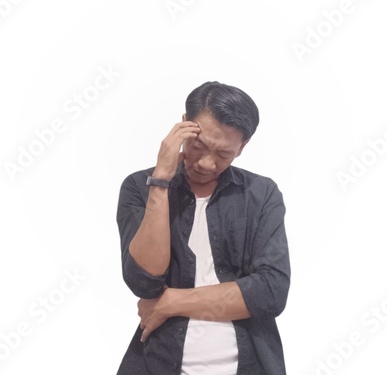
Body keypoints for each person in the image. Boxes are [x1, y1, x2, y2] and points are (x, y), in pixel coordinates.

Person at [116, 81, 291, 375]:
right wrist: (160, 180)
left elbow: (271, 292)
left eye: (223, 154)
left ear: (242, 147)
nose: (207, 163)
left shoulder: (261, 194)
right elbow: (144, 282)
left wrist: (172, 301)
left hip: (247, 363)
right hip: (159, 361)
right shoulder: (139, 187)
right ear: (184, 126)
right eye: (199, 146)